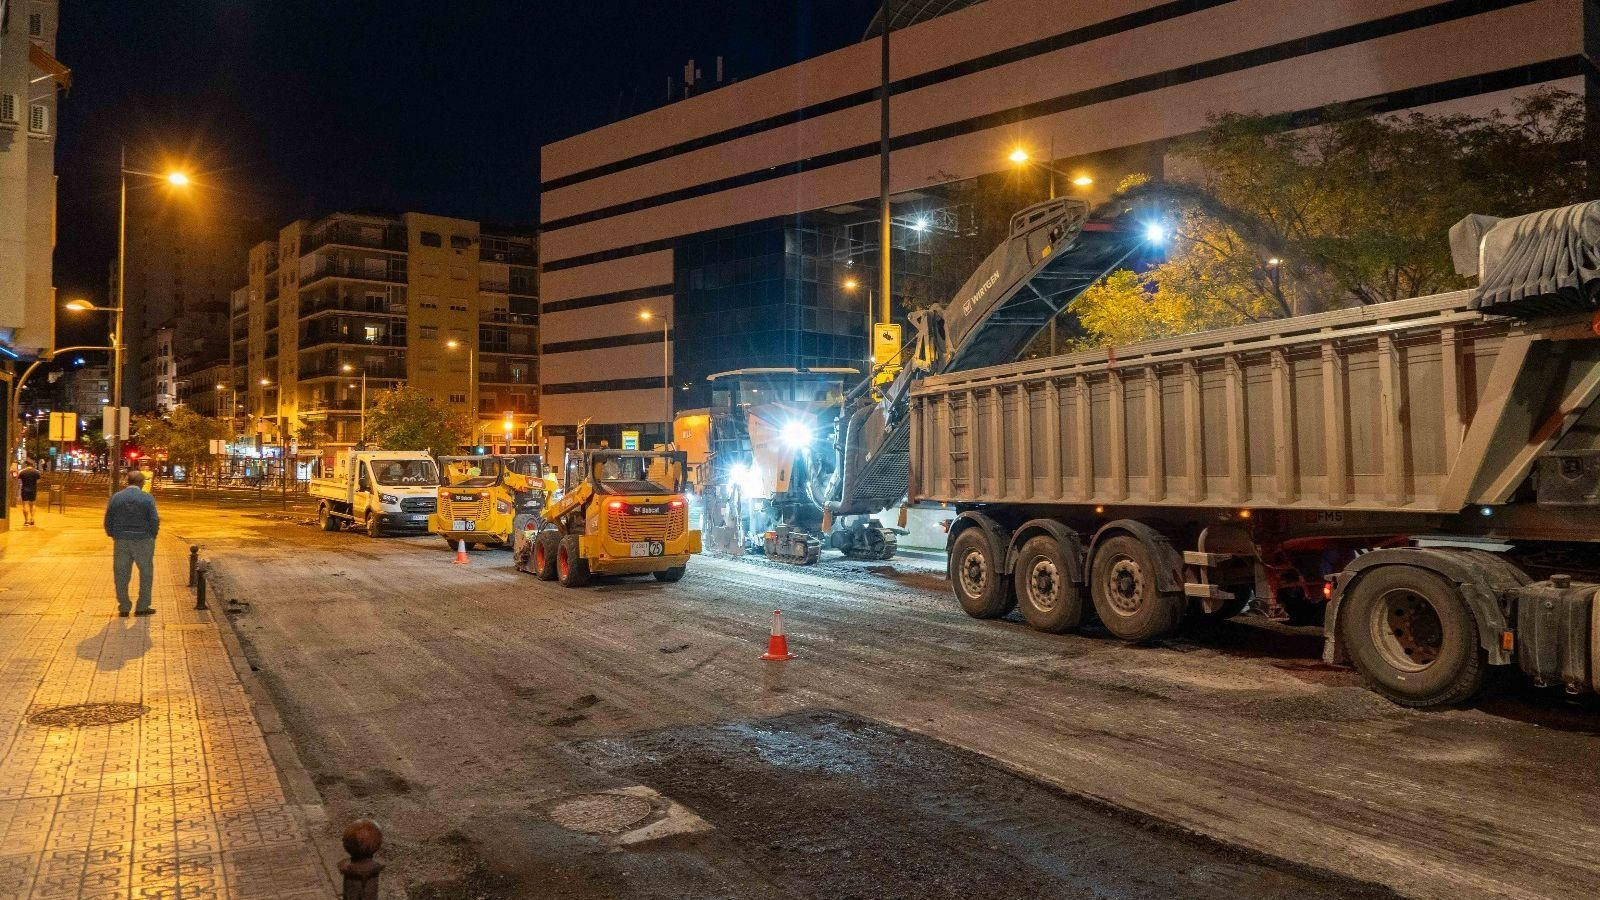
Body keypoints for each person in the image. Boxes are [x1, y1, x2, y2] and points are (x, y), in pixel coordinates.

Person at [104, 470, 160, 617]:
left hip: (122, 540)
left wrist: (112, 534)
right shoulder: (147, 498)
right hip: (143, 539)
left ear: (127, 482)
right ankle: (142, 606)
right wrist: (153, 534)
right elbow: (154, 519)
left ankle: (124, 606)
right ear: (141, 483)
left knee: (121, 573)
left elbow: (108, 518)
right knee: (146, 573)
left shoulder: (116, 497)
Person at [16, 460, 41, 526]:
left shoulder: (22, 472)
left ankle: (26, 521)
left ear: (26, 464)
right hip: (33, 490)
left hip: (24, 490)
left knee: (25, 504)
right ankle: (32, 519)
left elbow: (18, 480)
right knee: (33, 504)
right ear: (32, 465)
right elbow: (38, 481)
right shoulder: (37, 472)